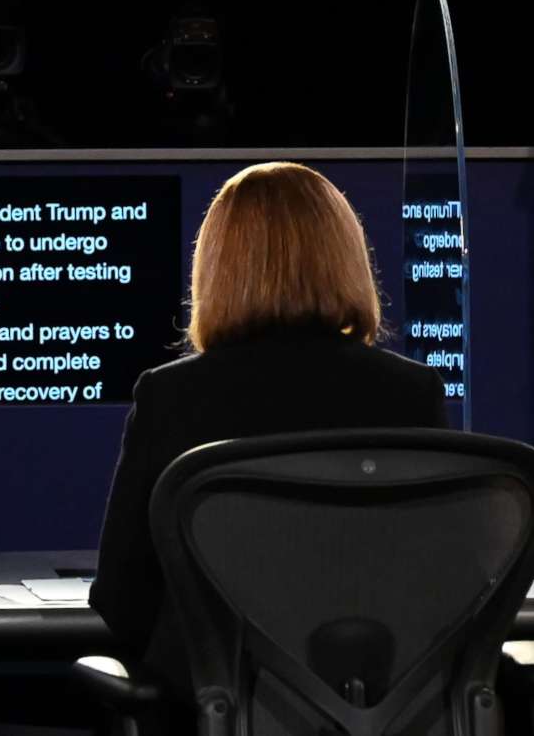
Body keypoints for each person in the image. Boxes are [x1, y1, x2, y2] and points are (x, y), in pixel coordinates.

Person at [91, 162, 449, 684]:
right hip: (377, 701)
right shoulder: (412, 392)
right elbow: (444, 584)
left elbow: (120, 601)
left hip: (215, 707)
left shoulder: (169, 396)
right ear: (348, 261)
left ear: (216, 268)